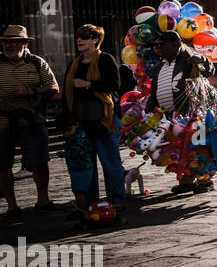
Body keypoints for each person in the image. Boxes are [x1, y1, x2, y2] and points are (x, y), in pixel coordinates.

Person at [57, 24, 127, 217]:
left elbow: (114, 85)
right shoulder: (74, 65)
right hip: (82, 121)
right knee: (86, 164)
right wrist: (68, 120)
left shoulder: (105, 59)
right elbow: (67, 94)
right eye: (79, 37)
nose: (80, 40)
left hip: (104, 119)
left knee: (110, 161)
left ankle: (117, 200)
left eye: (86, 37)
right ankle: (90, 202)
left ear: (96, 40)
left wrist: (88, 84)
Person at [0, 25, 60, 217]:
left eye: (14, 42)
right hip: (2, 121)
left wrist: (31, 91)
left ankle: (43, 199)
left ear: (24, 44)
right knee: (2, 165)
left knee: (40, 161)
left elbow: (53, 87)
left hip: (31, 119)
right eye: (5, 42)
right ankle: (12, 206)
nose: (8, 45)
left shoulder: (36, 62)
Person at [148, 29, 217, 193]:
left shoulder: (188, 58)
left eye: (162, 45)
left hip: (193, 114)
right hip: (172, 116)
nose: (158, 49)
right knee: (180, 148)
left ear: (175, 44)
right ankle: (187, 179)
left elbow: (209, 70)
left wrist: (202, 59)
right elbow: (154, 90)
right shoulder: (160, 66)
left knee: (198, 145)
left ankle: (205, 179)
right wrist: (150, 105)